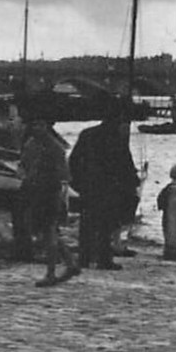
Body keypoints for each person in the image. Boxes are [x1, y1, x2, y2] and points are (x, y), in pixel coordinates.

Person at [68, 108, 140, 271]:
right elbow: (125, 165)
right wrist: (131, 185)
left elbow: (74, 160)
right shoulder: (116, 139)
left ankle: (84, 258)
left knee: (86, 223)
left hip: (89, 186)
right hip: (110, 189)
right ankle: (103, 259)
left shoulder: (86, 134)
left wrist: (77, 183)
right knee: (107, 224)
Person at [20, 119, 77, 287]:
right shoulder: (31, 144)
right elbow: (23, 164)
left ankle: (51, 272)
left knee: (49, 231)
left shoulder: (55, 148)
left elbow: (65, 175)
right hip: (34, 191)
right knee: (44, 231)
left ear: (47, 127)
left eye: (41, 124)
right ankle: (70, 263)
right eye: (35, 124)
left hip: (49, 193)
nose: (37, 127)